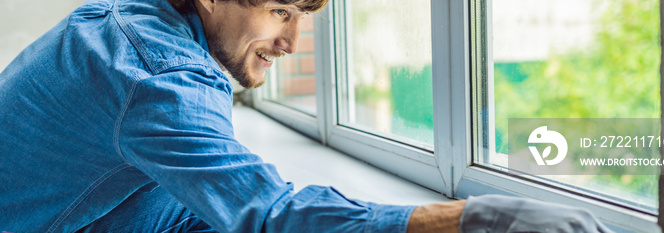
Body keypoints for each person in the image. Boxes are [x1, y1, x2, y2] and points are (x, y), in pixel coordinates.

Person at [0, 0, 612, 232]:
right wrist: (472, 217)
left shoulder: (123, 18)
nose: (293, 42)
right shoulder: (159, 74)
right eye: (282, 11)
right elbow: (263, 215)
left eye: (304, 18)